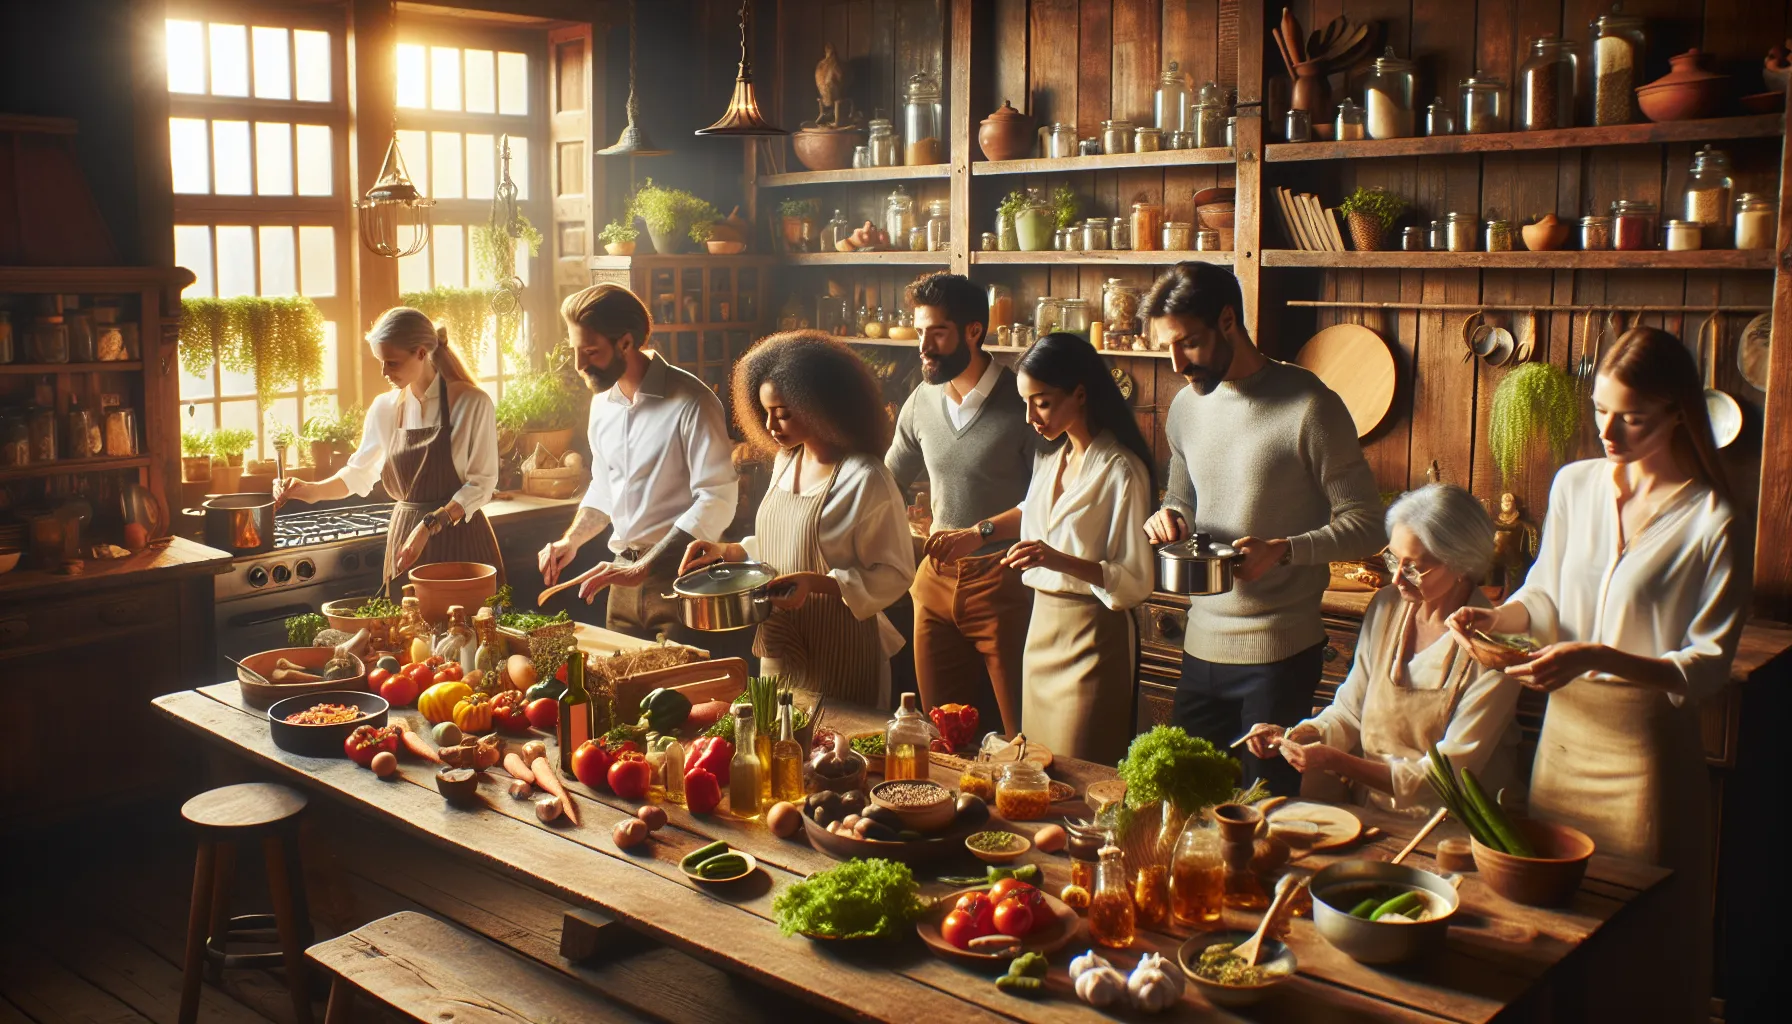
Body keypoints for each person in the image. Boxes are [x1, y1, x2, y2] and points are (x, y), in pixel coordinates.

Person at [1448, 327, 1747, 1024]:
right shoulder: (1575, 486)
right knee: (1558, 923)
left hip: (1646, 757)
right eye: (1600, 410)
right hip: (1564, 742)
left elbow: (1706, 665)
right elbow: (1546, 595)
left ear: (1678, 411)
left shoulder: (1712, 520)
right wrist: (1492, 619)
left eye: (1632, 417)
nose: (1608, 430)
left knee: (1640, 930)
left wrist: (1596, 656)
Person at [1140, 262, 1384, 794]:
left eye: (1189, 344)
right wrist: (1170, 517)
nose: (1178, 364)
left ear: (1229, 319)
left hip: (1278, 655)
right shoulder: (1185, 406)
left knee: (1262, 814)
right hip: (1200, 643)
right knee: (1178, 804)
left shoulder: (1310, 405)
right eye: (1167, 348)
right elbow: (1182, 496)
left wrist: (1287, 550)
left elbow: (1370, 525)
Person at [1247, 484, 1521, 814]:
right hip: (1372, 808)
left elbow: (1446, 776)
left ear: (1461, 565)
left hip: (1452, 825)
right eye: (1393, 559)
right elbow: (1350, 711)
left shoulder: (1496, 647)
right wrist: (1296, 735)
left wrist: (1337, 761)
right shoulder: (1388, 606)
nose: (1396, 580)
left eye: (1413, 568)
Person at [680, 331, 915, 704]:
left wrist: (818, 584)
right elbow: (780, 543)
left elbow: (896, 574)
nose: (772, 426)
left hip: (843, 649)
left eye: (784, 414)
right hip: (780, 642)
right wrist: (728, 551)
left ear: (821, 406)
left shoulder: (865, 478)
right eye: (766, 413)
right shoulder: (786, 461)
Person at [886, 273, 1044, 733]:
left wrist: (980, 533)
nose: (924, 346)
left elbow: (1050, 503)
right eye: (919, 332)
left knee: (1021, 736)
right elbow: (885, 480)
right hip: (933, 582)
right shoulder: (921, 401)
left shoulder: (1025, 404)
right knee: (938, 731)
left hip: (1007, 582)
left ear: (974, 330)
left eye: (937, 332)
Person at [538, 285, 737, 645]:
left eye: (591, 351)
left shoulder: (692, 402)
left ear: (626, 343)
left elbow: (716, 499)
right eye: (575, 351)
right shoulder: (602, 404)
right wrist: (572, 540)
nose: (580, 364)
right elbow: (604, 485)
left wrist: (646, 565)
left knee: (680, 698)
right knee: (620, 696)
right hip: (620, 581)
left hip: (682, 581)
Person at [999, 333, 1155, 764]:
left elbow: (1136, 578)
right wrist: (983, 533)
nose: (1031, 416)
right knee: (1036, 772)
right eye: (1025, 403)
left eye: (1043, 402)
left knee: (1082, 771)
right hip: (1041, 632)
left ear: (1080, 393)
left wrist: (1054, 557)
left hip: (1092, 640)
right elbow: (1034, 515)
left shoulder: (1123, 470)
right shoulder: (1050, 461)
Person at [275, 307, 500, 583]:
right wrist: (309, 490)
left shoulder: (471, 403)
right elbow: (359, 473)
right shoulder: (385, 408)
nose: (384, 372)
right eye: (380, 362)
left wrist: (431, 524)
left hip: (462, 540)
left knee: (468, 626)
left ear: (421, 353)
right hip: (406, 540)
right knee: (404, 626)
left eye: (392, 363)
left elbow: (482, 484)